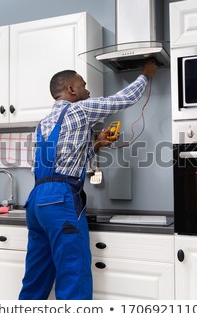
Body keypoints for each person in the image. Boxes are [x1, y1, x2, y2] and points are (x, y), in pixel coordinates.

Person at [19, 60, 157, 300]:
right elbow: (121, 99)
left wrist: (96, 144)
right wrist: (146, 75)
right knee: (74, 273)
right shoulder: (79, 110)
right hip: (60, 202)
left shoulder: (42, 123)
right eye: (83, 86)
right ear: (72, 90)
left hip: (36, 203)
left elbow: (60, 163)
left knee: (36, 276)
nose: (88, 91)